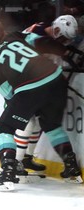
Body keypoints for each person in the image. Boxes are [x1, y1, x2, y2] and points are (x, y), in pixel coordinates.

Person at [0, 32, 83, 191]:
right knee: (51, 126)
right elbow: (40, 41)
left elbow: (10, 96)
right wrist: (65, 53)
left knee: (4, 128)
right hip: (56, 77)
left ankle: (8, 171)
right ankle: (72, 169)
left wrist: (23, 110)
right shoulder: (11, 38)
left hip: (31, 87)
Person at [15, 15, 79, 174]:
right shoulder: (37, 37)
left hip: (38, 84)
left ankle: (26, 158)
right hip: (23, 82)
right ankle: (15, 162)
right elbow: (41, 48)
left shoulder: (44, 32)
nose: (66, 42)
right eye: (64, 38)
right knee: (27, 120)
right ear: (57, 30)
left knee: (37, 122)